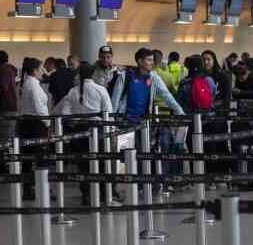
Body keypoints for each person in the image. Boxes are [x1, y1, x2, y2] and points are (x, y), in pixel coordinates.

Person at [52, 62, 112, 205]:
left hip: (79, 132)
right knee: (101, 163)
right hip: (98, 131)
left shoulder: (73, 91)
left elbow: (64, 113)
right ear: (93, 74)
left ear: (79, 75)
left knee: (83, 165)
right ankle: (103, 195)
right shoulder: (101, 89)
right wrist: (110, 132)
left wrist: (75, 123)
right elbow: (108, 112)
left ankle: (86, 195)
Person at [116, 47, 185, 122]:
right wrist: (111, 121)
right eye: (149, 60)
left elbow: (167, 95)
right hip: (124, 121)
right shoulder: (126, 76)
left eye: (152, 60)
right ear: (140, 61)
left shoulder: (154, 77)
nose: (152, 63)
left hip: (144, 122)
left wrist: (180, 112)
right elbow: (115, 98)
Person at [17, 57, 49, 200]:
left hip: (26, 124)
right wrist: (47, 122)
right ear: (35, 70)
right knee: (40, 158)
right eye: (41, 69)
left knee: (27, 160)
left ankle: (28, 189)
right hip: (36, 124)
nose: (43, 71)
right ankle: (40, 189)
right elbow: (39, 107)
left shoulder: (27, 83)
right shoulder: (33, 85)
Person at [0, 50, 19, 141]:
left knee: (4, 136)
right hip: (12, 106)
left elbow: (3, 87)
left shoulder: (4, 70)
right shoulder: (10, 69)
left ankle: (6, 150)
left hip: (7, 107)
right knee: (10, 134)